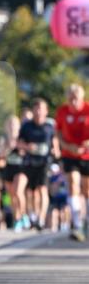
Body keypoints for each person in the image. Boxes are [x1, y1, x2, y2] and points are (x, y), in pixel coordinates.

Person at [14, 98, 55, 232]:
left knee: (42, 190)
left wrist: (56, 151)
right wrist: (27, 147)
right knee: (22, 190)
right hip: (28, 162)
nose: (38, 112)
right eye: (36, 109)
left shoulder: (49, 127)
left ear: (46, 111)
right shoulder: (27, 126)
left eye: (41, 109)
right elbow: (19, 143)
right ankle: (28, 216)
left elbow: (55, 143)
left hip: (44, 163)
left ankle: (40, 219)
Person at [55, 83, 89, 242]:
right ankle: (77, 224)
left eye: (76, 98)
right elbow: (58, 132)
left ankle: (87, 221)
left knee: (86, 189)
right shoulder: (62, 111)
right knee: (73, 183)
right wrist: (66, 146)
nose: (73, 102)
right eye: (70, 99)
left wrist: (86, 145)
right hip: (69, 154)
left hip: (86, 154)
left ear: (82, 97)